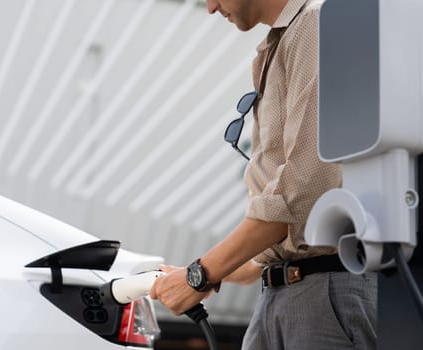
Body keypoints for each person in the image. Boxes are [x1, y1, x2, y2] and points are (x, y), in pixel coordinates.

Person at [150, 0, 377, 349]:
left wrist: (200, 274)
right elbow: (285, 233)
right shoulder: (286, 39)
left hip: (322, 295)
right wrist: (205, 274)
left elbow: (302, 194)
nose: (210, 7)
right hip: (287, 295)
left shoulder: (314, 26)